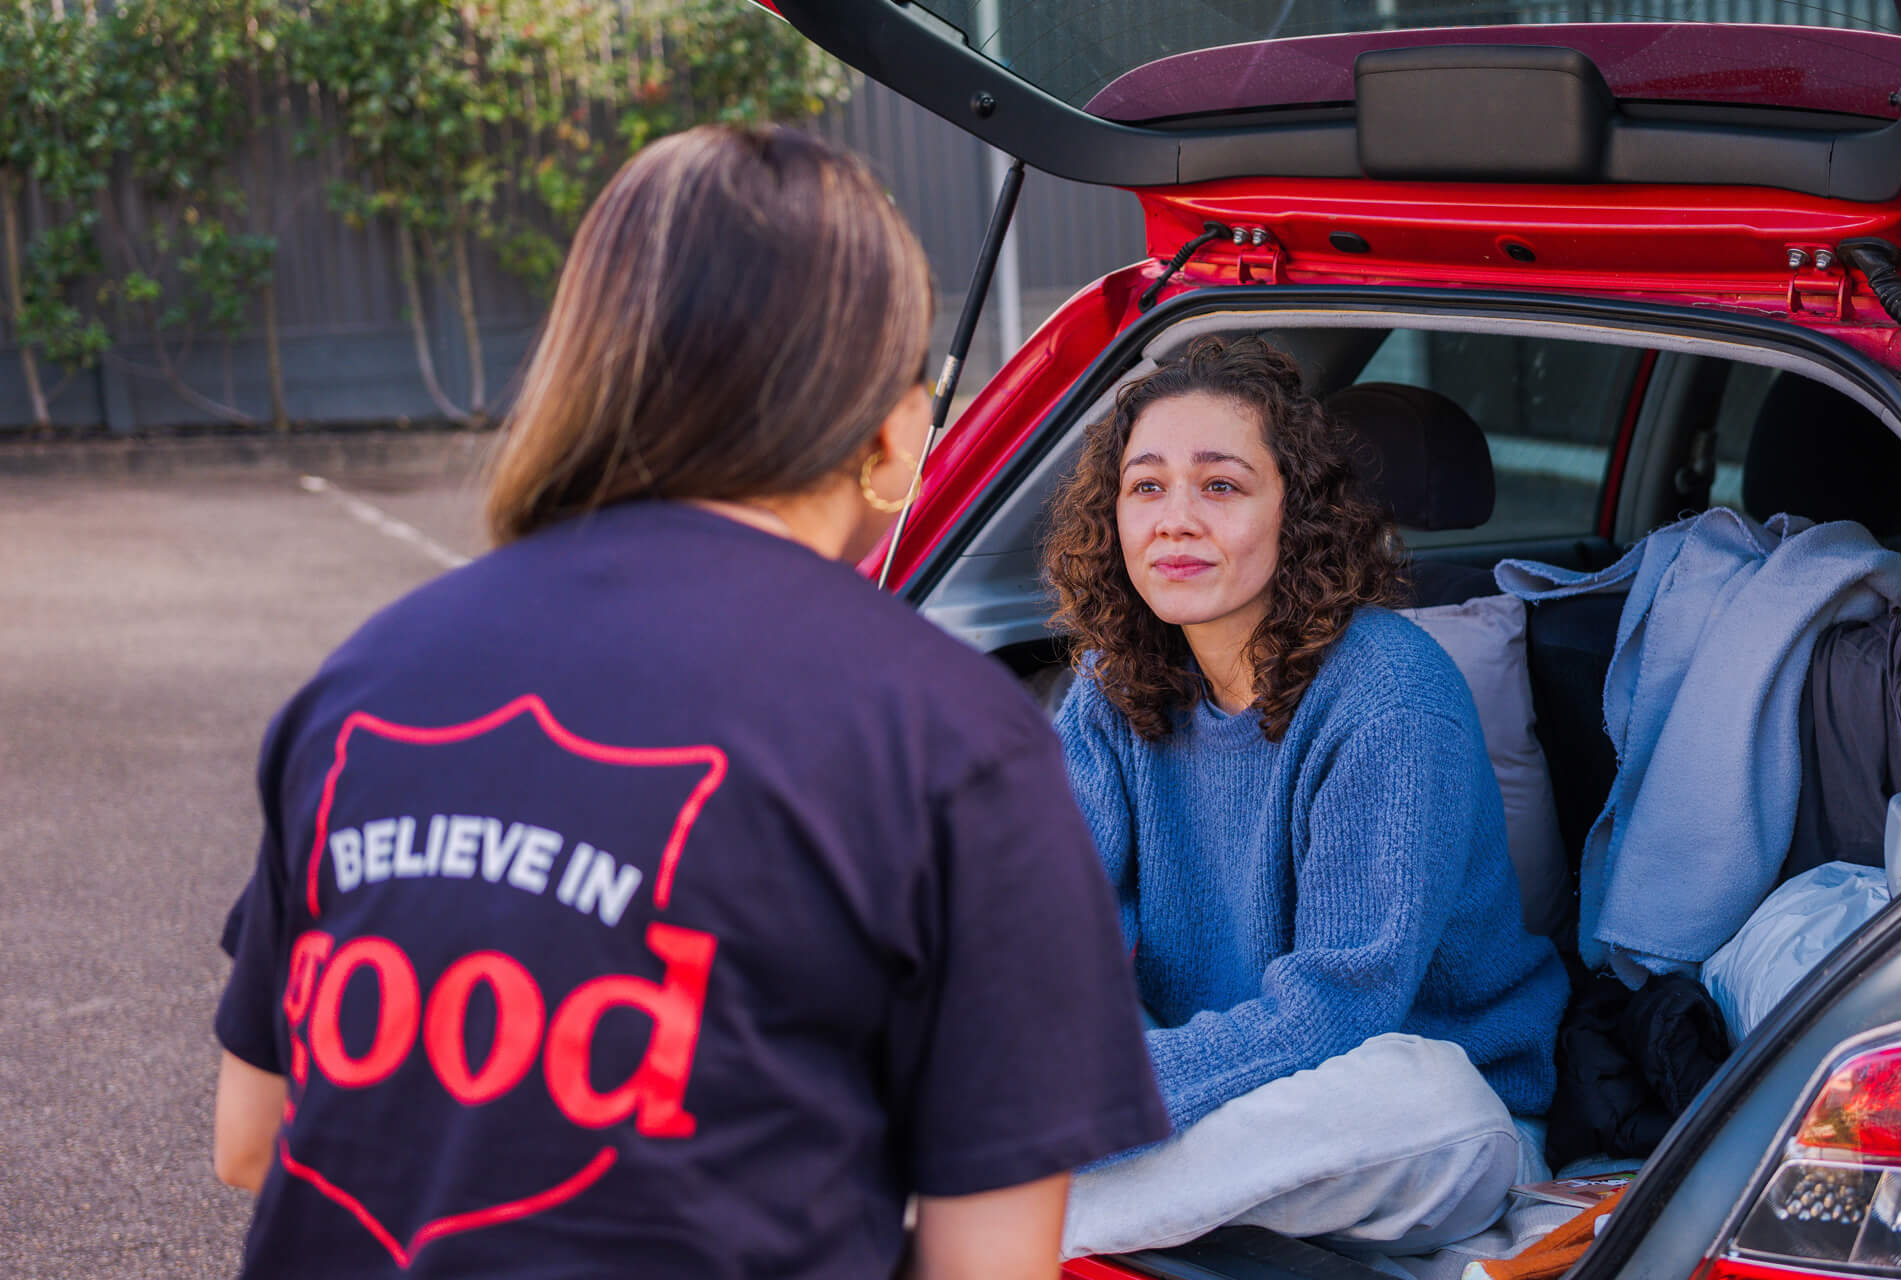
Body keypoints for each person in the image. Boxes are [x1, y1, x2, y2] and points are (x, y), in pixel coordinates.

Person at [209, 124, 1168, 1279]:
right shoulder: (954, 736)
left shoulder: (369, 675)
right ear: (891, 428)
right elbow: (986, 1264)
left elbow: (252, 1136)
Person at [1042, 335, 1569, 1259]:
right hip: (1195, 1093)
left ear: (1299, 516)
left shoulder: (1388, 694)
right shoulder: (1108, 688)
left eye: (1221, 486)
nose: (1173, 520)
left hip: (1416, 1120)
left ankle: (968, 1213)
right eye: (1146, 485)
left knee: (1413, 1087)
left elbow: (1341, 1006)